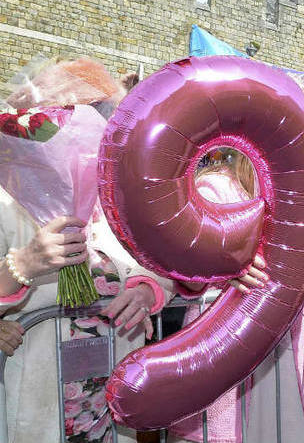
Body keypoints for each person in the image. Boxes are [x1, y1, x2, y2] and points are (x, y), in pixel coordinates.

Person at [0, 188, 175, 443]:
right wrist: (23, 264)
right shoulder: (8, 197)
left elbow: (164, 264)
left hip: (109, 405)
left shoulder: (118, 194)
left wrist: (148, 289)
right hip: (32, 403)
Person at [169, 150, 304, 442]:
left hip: (277, 353)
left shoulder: (293, 192)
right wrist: (224, 269)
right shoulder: (213, 187)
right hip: (221, 352)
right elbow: (185, 272)